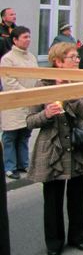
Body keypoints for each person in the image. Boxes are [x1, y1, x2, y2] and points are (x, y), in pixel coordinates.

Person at [26, 43, 83, 255]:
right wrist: (46, 114)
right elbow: (29, 121)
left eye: (77, 57)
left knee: (78, 197)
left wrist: (73, 96)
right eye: (72, 57)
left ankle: (78, 237)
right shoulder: (42, 84)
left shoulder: (81, 81)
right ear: (58, 61)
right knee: (52, 200)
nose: (77, 60)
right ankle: (54, 242)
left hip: (77, 145)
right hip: (53, 148)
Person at [1, 26, 38, 179]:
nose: (28, 40)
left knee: (24, 134)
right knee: (10, 135)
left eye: (29, 36)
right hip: (14, 102)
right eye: (24, 37)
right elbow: (9, 81)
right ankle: (10, 166)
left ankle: (24, 163)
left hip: (29, 102)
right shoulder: (8, 58)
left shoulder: (31, 57)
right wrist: (25, 93)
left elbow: (37, 76)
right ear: (15, 40)